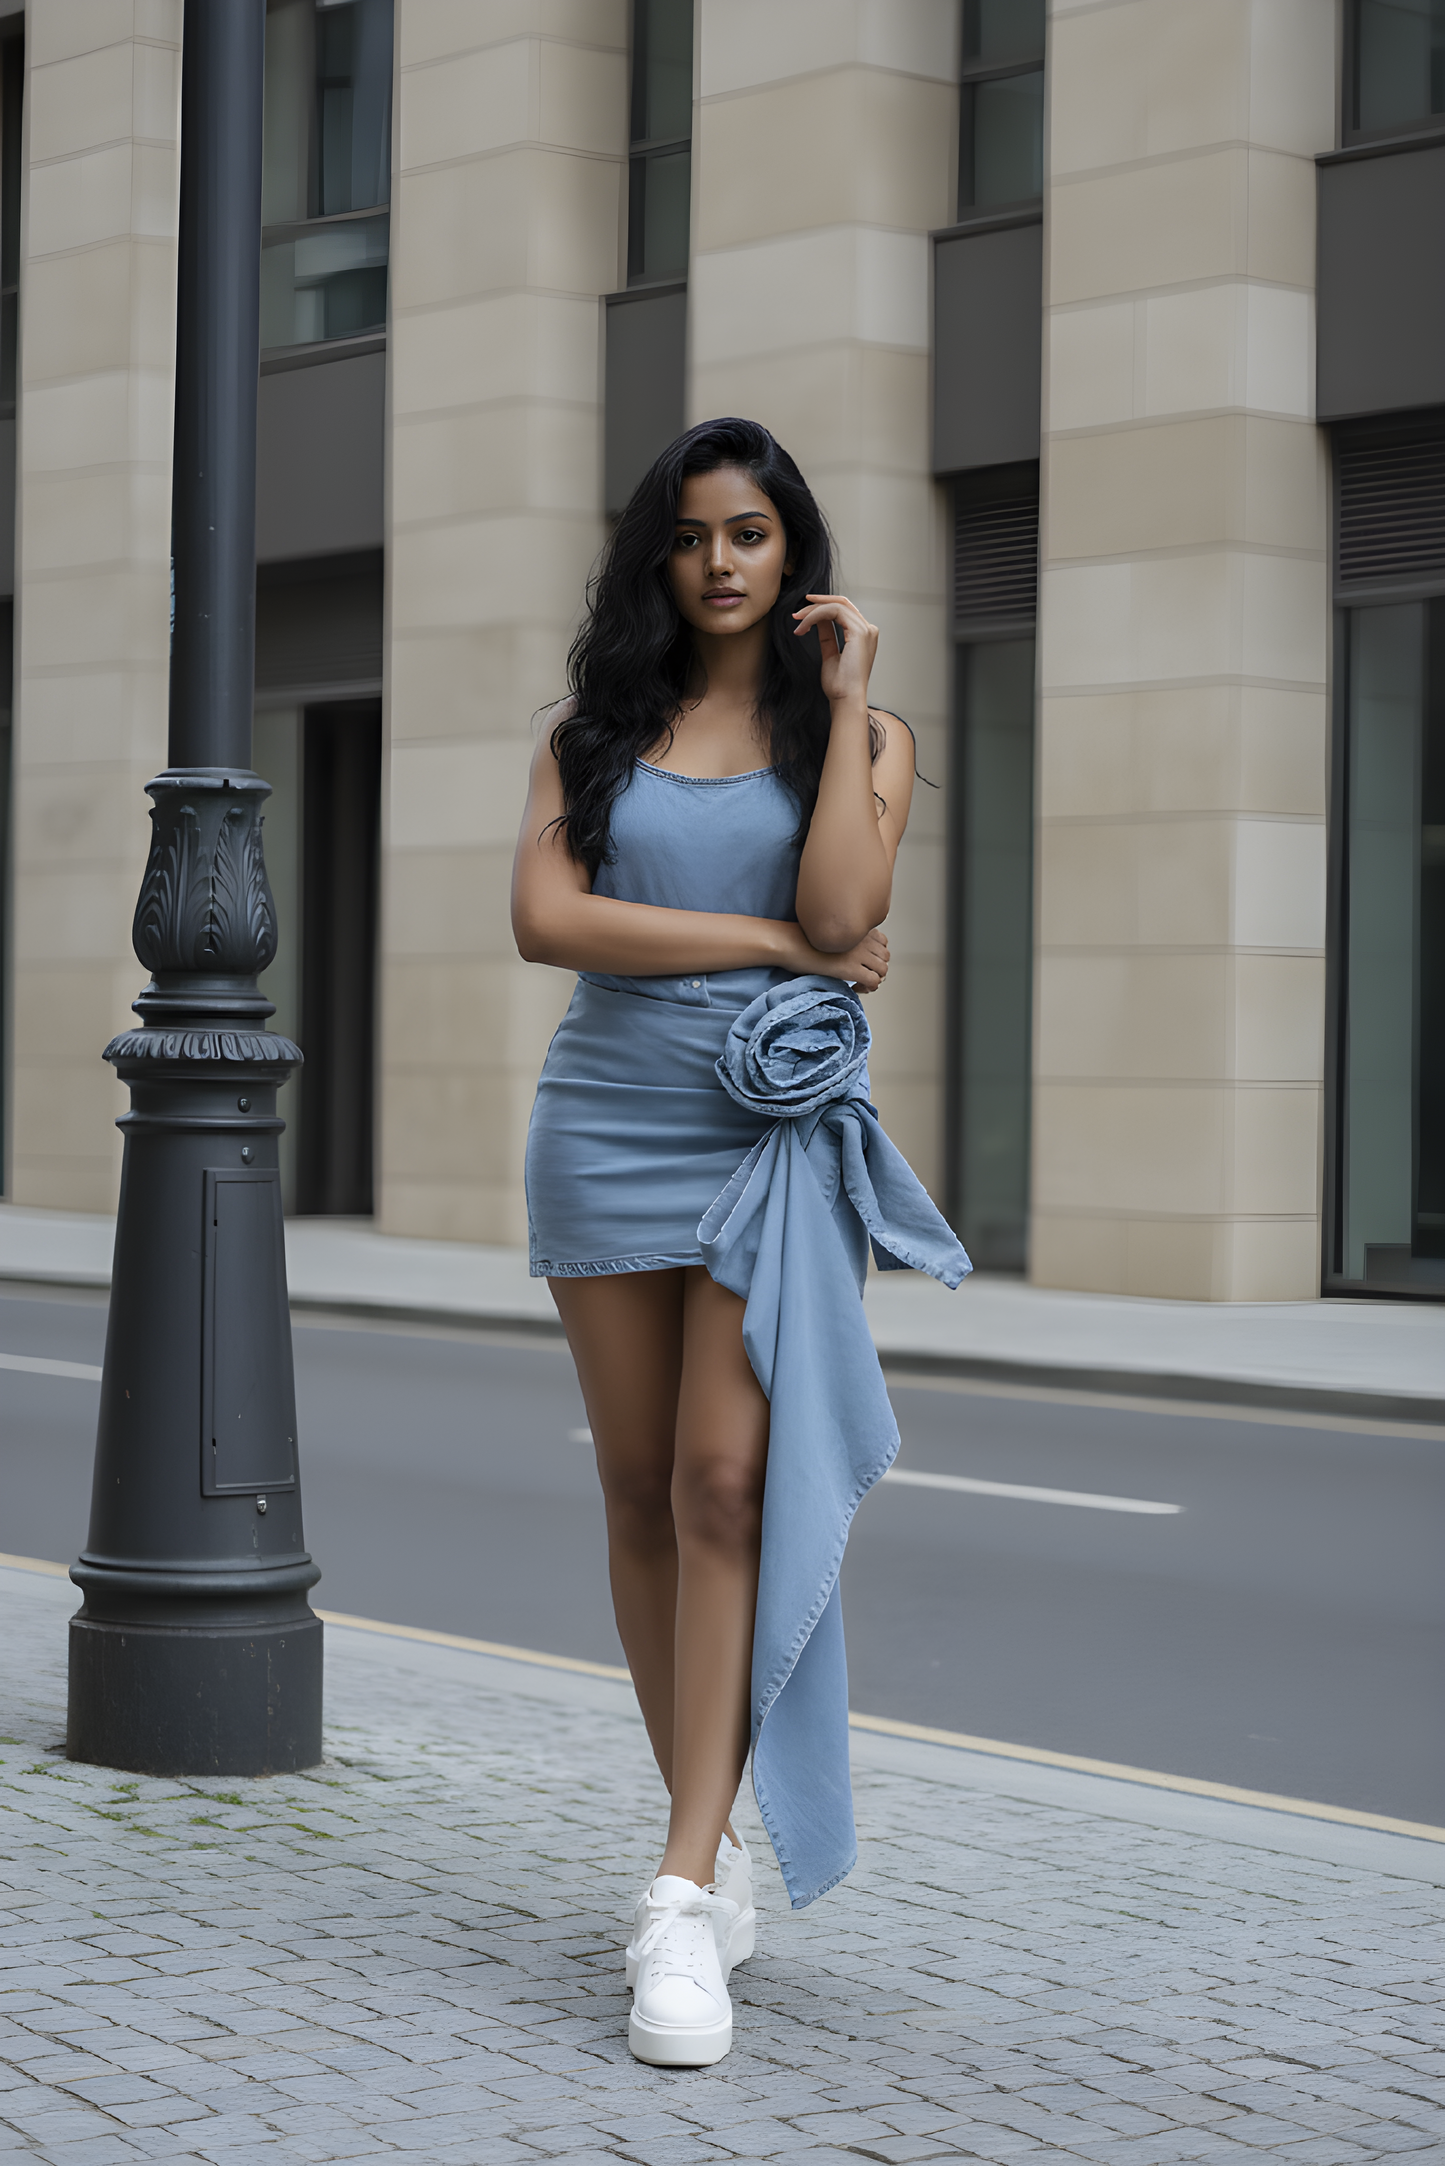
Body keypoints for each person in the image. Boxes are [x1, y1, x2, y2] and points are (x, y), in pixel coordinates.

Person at [512, 418, 968, 2068]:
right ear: (662, 552)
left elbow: (848, 913)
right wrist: (765, 936)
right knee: (641, 1489)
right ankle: (702, 1849)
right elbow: (548, 921)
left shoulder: (867, 733)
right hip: (606, 1123)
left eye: (753, 533)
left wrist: (844, 706)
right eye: (696, 533)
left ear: (794, 554)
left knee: (724, 1484)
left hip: (768, 1137)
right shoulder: (596, 732)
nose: (722, 560)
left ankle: (678, 1888)